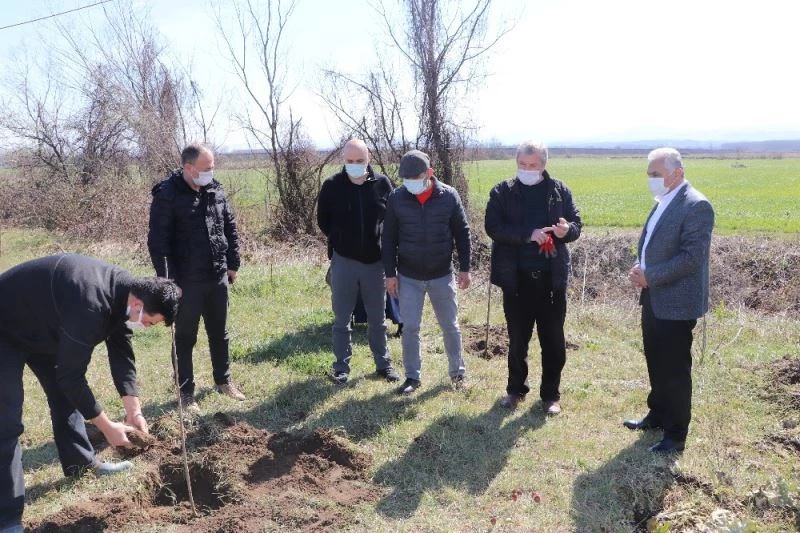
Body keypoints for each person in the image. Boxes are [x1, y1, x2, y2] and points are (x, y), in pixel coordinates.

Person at [0, 253, 180, 533]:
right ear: (137, 305)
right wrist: (107, 427)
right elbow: (72, 377)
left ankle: (80, 463)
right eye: (149, 322)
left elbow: (121, 351)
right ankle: (8, 519)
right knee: (7, 421)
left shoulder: (126, 290)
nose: (145, 327)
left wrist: (134, 411)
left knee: (64, 397)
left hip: (44, 324)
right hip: (6, 327)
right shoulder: (91, 304)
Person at [625, 147, 714, 453]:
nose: (651, 180)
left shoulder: (696, 205)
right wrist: (641, 267)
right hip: (653, 297)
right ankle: (658, 414)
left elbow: (691, 257)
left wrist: (652, 275)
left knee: (675, 369)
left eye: (656, 174)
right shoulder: (664, 201)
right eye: (649, 174)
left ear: (678, 173)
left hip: (676, 302)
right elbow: (653, 244)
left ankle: (675, 435)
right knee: (655, 360)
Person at [485, 140, 582, 415]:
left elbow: (576, 224)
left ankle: (550, 395)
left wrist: (567, 230)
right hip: (516, 280)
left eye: (533, 165)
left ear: (544, 165)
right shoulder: (502, 192)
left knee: (553, 341)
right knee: (517, 340)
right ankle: (515, 390)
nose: (527, 170)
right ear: (517, 163)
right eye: (522, 165)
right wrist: (529, 234)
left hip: (551, 282)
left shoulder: (559, 191)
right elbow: (493, 227)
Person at [148, 143, 245, 413]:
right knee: (185, 337)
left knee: (219, 332)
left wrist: (232, 263)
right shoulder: (167, 195)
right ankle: (186, 392)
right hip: (185, 282)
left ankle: (223, 381)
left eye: (212, 167)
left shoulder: (215, 190)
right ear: (188, 168)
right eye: (206, 168)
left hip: (217, 274)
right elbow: (158, 244)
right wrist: (169, 283)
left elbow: (230, 227)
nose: (210, 173)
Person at [382, 149, 471, 394]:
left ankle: (457, 374)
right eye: (405, 178)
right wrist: (390, 274)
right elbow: (388, 239)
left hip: (442, 274)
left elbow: (462, 233)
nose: (410, 182)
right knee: (410, 327)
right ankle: (412, 377)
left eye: (415, 177)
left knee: (450, 326)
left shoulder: (449, 196)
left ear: (429, 174)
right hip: (408, 276)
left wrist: (465, 268)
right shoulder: (397, 198)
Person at [317, 139, 399, 384]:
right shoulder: (332, 185)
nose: (355, 165)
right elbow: (324, 221)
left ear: (369, 158)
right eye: (350, 161)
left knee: (377, 319)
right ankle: (341, 367)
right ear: (343, 160)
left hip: (375, 263)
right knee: (342, 319)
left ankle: (383, 364)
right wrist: (342, 240)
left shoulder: (383, 184)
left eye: (360, 161)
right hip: (344, 262)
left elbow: (393, 219)